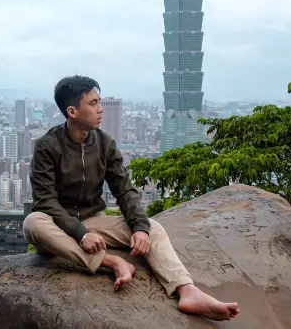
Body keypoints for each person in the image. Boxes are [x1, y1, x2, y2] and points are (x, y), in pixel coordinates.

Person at [23, 75, 240, 322]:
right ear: (72, 111)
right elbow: (45, 201)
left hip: (93, 221)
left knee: (152, 228)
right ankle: (111, 262)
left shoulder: (104, 144)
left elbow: (124, 190)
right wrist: (81, 234)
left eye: (99, 102)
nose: (100, 109)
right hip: (58, 227)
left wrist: (139, 228)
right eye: (93, 103)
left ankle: (186, 290)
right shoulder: (48, 146)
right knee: (32, 222)